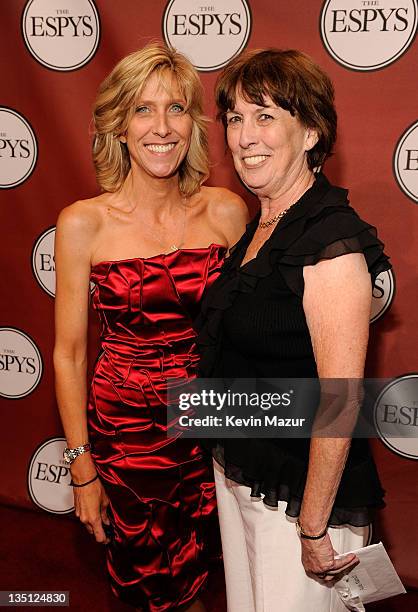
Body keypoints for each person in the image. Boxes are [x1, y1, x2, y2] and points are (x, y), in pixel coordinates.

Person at [53, 42, 247, 612]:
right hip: (129, 431)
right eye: (142, 109)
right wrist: (82, 467)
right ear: (116, 125)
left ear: (193, 124)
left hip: (212, 423)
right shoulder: (82, 223)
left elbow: (248, 328)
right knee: (148, 581)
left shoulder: (226, 211)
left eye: (176, 109)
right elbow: (68, 354)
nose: (160, 127)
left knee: (210, 568)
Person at [197, 48, 391, 611]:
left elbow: (339, 399)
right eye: (235, 118)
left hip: (303, 502)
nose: (244, 136)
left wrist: (312, 526)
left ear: (309, 133)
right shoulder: (264, 224)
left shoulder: (329, 241)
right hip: (247, 474)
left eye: (265, 117)